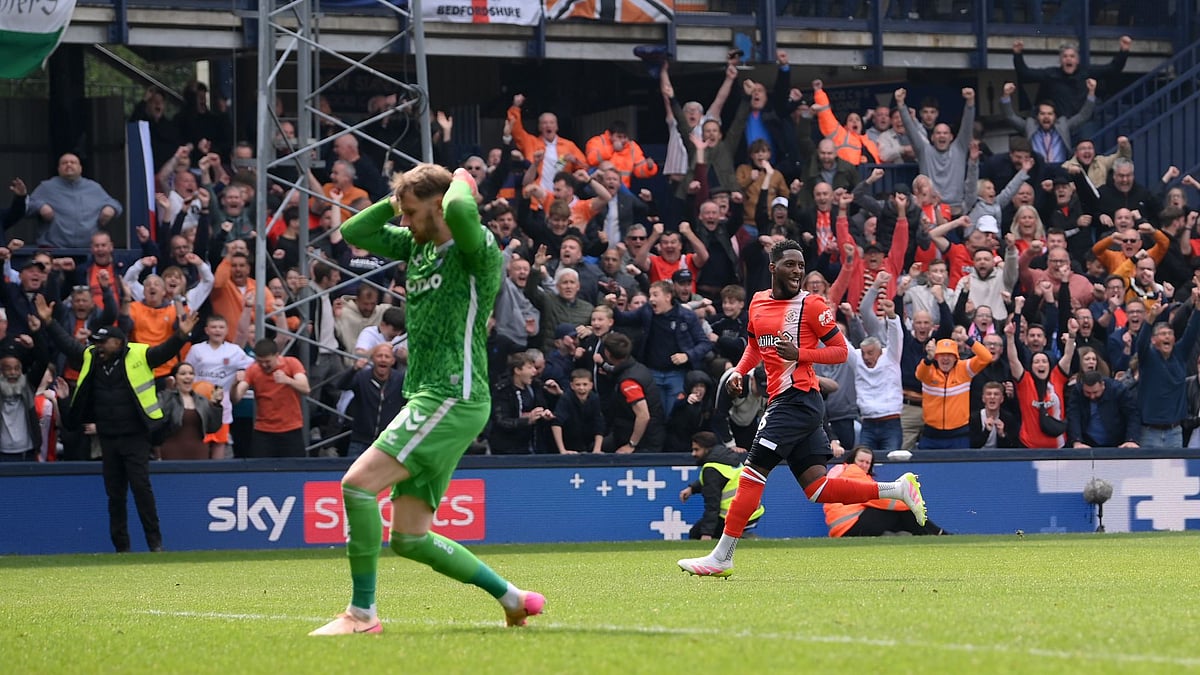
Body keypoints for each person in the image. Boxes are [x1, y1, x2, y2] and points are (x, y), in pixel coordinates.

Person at [310, 164, 544, 636]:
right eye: (404, 213)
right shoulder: (415, 244)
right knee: (411, 538)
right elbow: (354, 228)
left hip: (453, 393)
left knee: (356, 485)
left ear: (440, 205)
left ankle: (362, 615)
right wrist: (398, 199)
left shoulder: (475, 246)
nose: (407, 221)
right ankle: (513, 598)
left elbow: (459, 205)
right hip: (431, 396)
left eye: (414, 212)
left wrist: (460, 178)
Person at [676, 240, 926, 578]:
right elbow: (755, 346)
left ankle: (722, 556)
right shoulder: (758, 302)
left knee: (751, 473)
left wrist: (801, 355)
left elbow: (840, 351)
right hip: (791, 402)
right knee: (818, 489)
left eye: (801, 265)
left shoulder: (812, 305)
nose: (797, 271)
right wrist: (740, 371)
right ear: (773, 267)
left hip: (797, 399)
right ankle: (898, 489)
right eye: (790, 264)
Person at [39, 298, 198, 552]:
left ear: (119, 341)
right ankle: (121, 548)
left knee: (141, 490)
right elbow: (68, 345)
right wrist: (49, 322)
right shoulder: (92, 356)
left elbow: (165, 351)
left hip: (136, 437)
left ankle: (155, 544)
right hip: (108, 437)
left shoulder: (140, 354)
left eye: (103, 342)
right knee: (115, 496)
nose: (98, 347)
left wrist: (181, 334)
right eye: (96, 342)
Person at [823, 447, 947, 537]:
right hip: (849, 525)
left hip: (841, 528)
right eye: (861, 461)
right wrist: (909, 504)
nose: (864, 465)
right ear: (852, 461)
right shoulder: (853, 472)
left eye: (868, 463)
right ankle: (937, 534)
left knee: (902, 519)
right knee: (905, 513)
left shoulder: (842, 473)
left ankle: (928, 534)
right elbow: (879, 499)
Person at [230, 338, 310, 458]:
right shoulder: (253, 369)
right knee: (261, 470)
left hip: (291, 429)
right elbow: (236, 398)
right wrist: (234, 384)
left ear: (277, 356)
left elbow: (306, 389)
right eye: (260, 361)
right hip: (263, 431)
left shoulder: (292, 363)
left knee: (295, 468)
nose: (264, 365)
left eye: (267, 361)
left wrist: (287, 380)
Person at [680, 431, 763, 541]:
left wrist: (706, 533)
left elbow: (712, 505)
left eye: (696, 450)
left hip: (733, 516)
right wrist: (692, 488)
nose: (693, 454)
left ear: (707, 449)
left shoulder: (711, 469)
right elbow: (720, 481)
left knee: (695, 533)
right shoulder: (728, 457)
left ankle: (741, 540)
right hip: (753, 512)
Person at [156, 362, 223, 460]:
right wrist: (168, 391)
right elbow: (160, 422)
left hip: (199, 451)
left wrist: (216, 406)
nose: (188, 377)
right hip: (172, 451)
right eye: (183, 374)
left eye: (191, 373)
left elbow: (212, 428)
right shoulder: (165, 397)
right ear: (175, 378)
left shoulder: (202, 400)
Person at [1066, 370, 1140, 449]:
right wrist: (1077, 441)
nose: (1092, 396)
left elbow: (1132, 414)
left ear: (1103, 385)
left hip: (1116, 441)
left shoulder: (1119, 390)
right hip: (1087, 441)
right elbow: (1073, 416)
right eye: (1088, 392)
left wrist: (1131, 440)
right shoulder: (1078, 391)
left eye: (1095, 392)